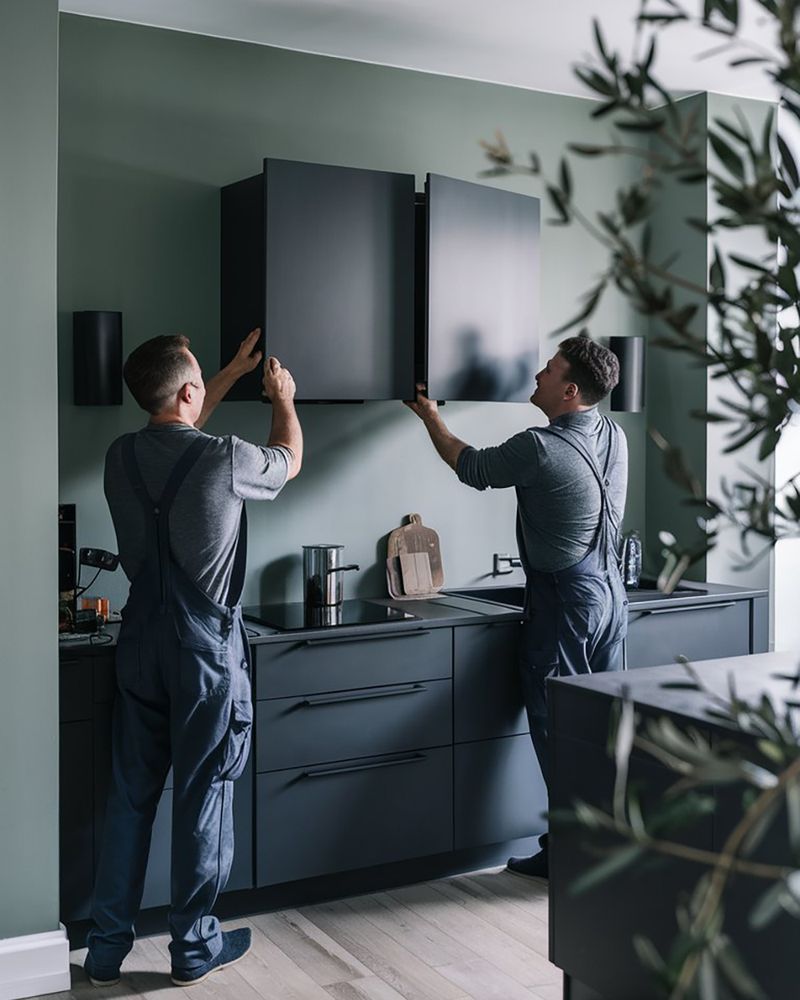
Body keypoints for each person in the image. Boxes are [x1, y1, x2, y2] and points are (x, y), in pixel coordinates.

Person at [84, 328, 302, 987]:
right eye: (201, 385)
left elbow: (179, 440)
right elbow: (288, 460)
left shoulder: (120, 457)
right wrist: (282, 398)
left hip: (139, 642)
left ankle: (104, 951)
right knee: (204, 795)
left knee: (129, 799)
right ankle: (192, 948)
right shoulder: (227, 459)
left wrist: (231, 371)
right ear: (185, 392)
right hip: (204, 650)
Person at [406, 336, 628, 880]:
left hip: (565, 605)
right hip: (610, 595)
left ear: (570, 391)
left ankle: (570, 858)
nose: (537, 376)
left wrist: (430, 416)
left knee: (559, 730)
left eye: (548, 371)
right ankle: (601, 850)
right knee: (601, 730)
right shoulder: (613, 433)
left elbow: (473, 467)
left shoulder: (541, 446)